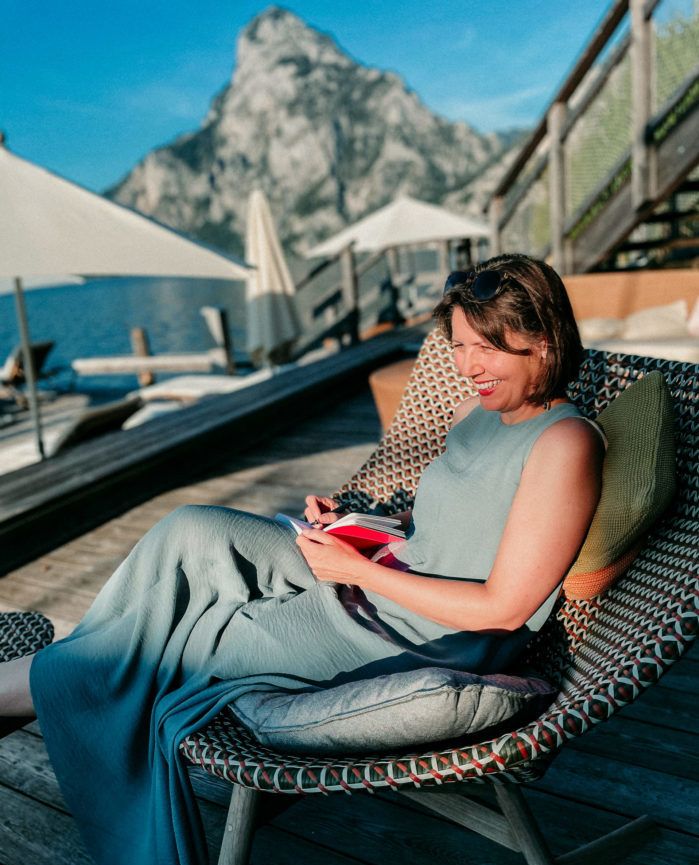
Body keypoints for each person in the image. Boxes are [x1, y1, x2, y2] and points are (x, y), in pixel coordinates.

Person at [0, 254, 604, 865]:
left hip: (416, 632)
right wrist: (359, 523)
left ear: (546, 341)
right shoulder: (479, 414)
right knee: (192, 531)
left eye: (490, 349)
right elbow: (452, 524)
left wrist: (357, 572)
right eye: (460, 345)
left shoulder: (564, 444)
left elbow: (504, 607)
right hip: (385, 573)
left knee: (194, 634)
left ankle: (23, 688)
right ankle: (45, 677)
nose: (468, 367)